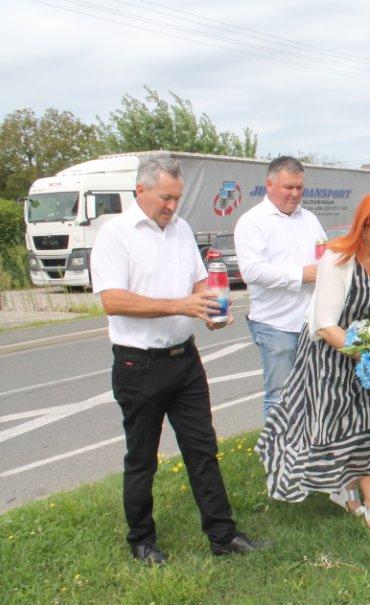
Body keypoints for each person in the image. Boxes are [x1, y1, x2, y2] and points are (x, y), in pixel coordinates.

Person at [90, 155, 271, 565]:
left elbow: (197, 281)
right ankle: (141, 540)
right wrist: (181, 305)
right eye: (165, 198)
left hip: (184, 360)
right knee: (142, 456)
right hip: (139, 364)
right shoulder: (115, 234)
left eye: (177, 198)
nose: (172, 206)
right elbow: (113, 300)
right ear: (141, 190)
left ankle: (223, 535)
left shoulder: (181, 229)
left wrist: (209, 306)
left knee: (202, 449)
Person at [255, 190, 370, 528]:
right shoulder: (337, 259)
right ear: (365, 226)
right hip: (332, 357)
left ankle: (346, 491)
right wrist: (368, 355)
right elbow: (326, 325)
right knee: (349, 426)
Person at [235, 156, 326, 418]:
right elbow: (251, 270)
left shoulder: (309, 219)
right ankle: (278, 457)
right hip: (276, 325)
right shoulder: (253, 222)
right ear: (269, 185)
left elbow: (323, 255)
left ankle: (307, 454)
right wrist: (300, 274)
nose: (295, 194)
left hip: (311, 323)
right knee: (281, 398)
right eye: (288, 187)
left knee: (313, 394)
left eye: (299, 188)